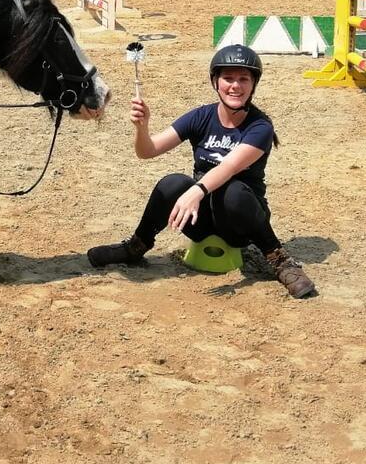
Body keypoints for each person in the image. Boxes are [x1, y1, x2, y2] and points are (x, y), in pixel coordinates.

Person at [86, 44, 317, 299]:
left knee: (232, 191)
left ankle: (279, 259)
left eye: (243, 79)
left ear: (253, 85)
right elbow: (148, 151)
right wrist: (142, 127)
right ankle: (135, 247)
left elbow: (229, 167)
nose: (235, 86)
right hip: (201, 219)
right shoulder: (201, 116)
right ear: (215, 82)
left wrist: (196, 190)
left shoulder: (260, 127)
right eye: (228, 78)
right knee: (172, 183)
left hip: (240, 222)